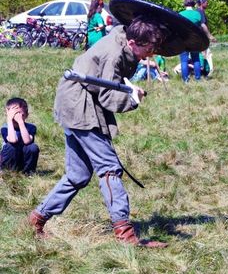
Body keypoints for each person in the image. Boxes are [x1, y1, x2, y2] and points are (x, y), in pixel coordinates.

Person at [28, 15, 170, 247]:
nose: (150, 54)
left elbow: (108, 82)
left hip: (74, 102)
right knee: (109, 168)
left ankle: (36, 220)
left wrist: (128, 87)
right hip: (80, 106)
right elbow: (106, 95)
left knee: (78, 175)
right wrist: (133, 99)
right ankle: (125, 235)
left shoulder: (122, 37)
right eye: (148, 49)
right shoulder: (113, 54)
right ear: (133, 42)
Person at [1, 97, 39, 174]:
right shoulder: (5, 128)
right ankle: (8, 172)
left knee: (33, 147)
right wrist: (9, 120)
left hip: (23, 160)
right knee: (10, 146)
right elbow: (12, 140)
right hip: (10, 160)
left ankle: (28, 172)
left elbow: (27, 141)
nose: (16, 117)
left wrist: (21, 122)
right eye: (14, 114)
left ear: (26, 115)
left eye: (20, 115)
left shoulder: (31, 127)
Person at [179, 0, 203, 82]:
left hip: (184, 39)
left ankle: (185, 80)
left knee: (184, 60)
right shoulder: (197, 14)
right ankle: (198, 78)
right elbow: (201, 27)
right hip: (195, 39)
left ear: (185, 4)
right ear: (193, 4)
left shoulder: (181, 14)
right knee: (196, 58)